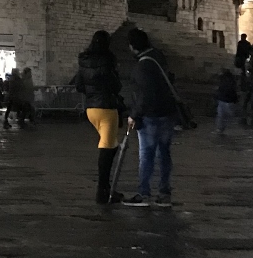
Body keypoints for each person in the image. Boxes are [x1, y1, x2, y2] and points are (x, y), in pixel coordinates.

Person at [124, 28, 177, 207]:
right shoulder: (159, 59)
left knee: (146, 154)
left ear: (133, 47)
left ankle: (144, 193)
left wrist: (133, 115)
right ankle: (164, 193)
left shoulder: (142, 66)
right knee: (164, 153)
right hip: (168, 113)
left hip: (150, 116)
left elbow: (144, 96)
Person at [72, 30, 125, 204]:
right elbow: (115, 85)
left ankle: (105, 188)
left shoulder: (84, 61)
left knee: (109, 145)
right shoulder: (108, 60)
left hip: (91, 109)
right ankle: (103, 192)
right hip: (107, 108)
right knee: (107, 149)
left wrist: (91, 91)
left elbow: (79, 85)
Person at [215, 69, 239, 134]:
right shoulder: (231, 81)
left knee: (221, 115)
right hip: (227, 100)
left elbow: (221, 90)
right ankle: (221, 127)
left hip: (223, 99)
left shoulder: (223, 81)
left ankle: (220, 128)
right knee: (224, 114)